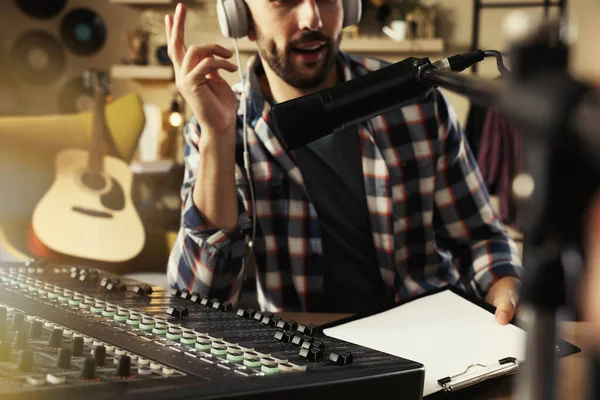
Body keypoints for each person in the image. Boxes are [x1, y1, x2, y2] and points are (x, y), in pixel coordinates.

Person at [164, 0, 523, 323]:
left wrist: (505, 288)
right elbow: (198, 304)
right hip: (306, 359)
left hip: (427, 338)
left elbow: (477, 237)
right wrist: (217, 135)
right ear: (241, 17)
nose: (312, 17)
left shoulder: (416, 97)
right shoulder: (221, 125)